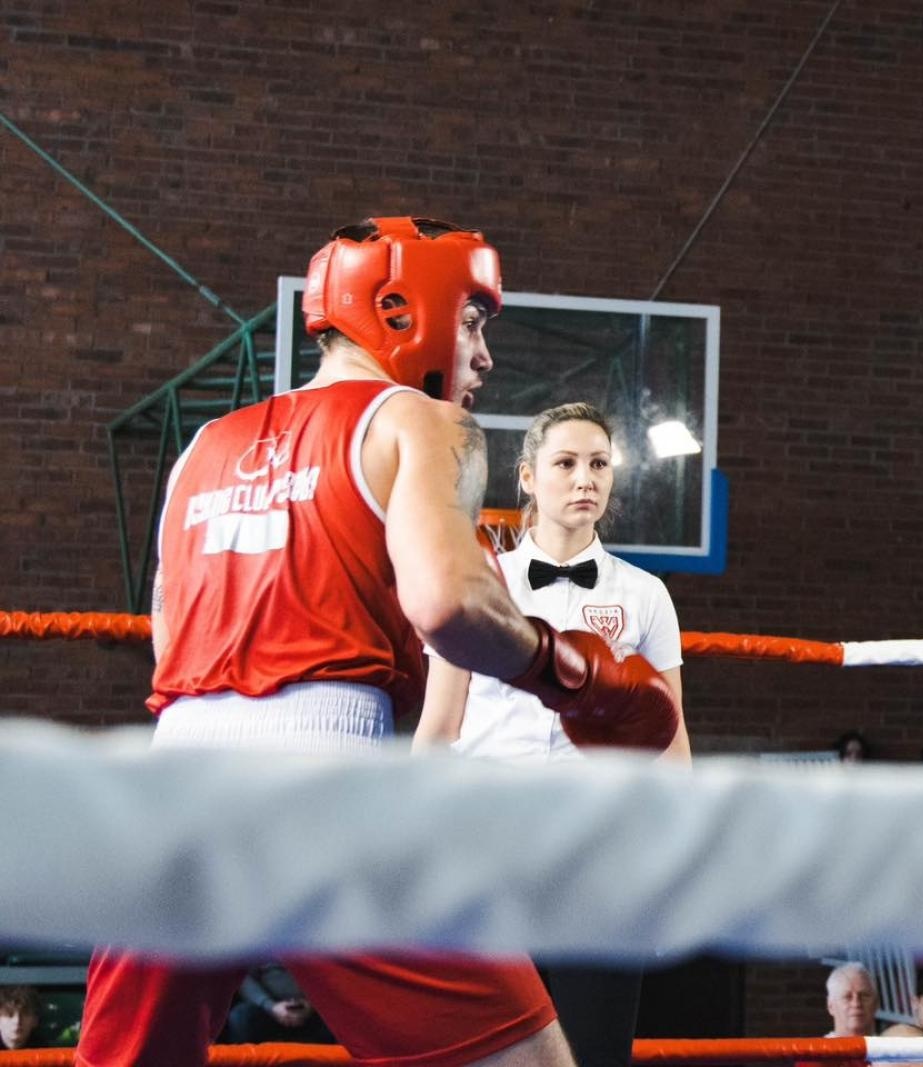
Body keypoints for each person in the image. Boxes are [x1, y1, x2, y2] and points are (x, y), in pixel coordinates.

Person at [75, 217, 679, 1067]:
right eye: (472, 319)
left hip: (171, 794)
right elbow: (447, 605)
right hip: (326, 792)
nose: (483, 354)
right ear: (401, 308)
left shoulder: (201, 448)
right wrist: (577, 679)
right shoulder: (423, 423)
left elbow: (169, 633)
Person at [415, 401, 689, 1067]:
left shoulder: (646, 594)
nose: (584, 478)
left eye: (598, 463)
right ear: (530, 477)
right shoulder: (477, 586)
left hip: (601, 852)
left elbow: (672, 747)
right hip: (488, 845)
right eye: (565, 463)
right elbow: (439, 727)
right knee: (486, 1054)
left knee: (594, 1052)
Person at [221, 963, 336, 1045]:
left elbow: (330, 977)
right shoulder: (260, 943)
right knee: (240, 1017)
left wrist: (313, 1004)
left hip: (314, 1007)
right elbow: (245, 980)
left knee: (338, 1018)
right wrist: (271, 1006)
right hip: (268, 1008)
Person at [0, 986, 41, 1050]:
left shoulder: (44, 1050)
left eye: (25, 1014)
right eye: (9, 1015)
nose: (17, 1021)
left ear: (35, 1020)